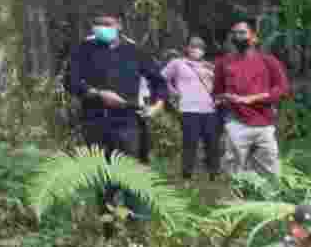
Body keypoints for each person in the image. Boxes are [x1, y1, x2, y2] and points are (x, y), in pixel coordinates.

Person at [64, 13, 167, 233]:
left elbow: (159, 82)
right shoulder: (84, 50)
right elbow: (70, 81)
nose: (102, 27)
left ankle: (137, 230)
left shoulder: (134, 51)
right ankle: (108, 232)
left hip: (128, 122)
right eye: (97, 23)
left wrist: (157, 106)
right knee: (102, 177)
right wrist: (98, 93)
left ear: (119, 25)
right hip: (95, 122)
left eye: (107, 24)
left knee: (132, 174)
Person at [214, 20, 290, 177]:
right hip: (235, 122)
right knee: (233, 172)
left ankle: (269, 193)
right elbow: (217, 91)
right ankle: (236, 192)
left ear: (254, 37)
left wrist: (253, 98)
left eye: (242, 33)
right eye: (235, 33)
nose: (238, 36)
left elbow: (282, 88)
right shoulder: (223, 62)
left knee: (270, 171)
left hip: (264, 123)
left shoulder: (268, 61)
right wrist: (224, 98)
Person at [163, 36, 222, 180]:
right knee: (190, 142)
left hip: (209, 108)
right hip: (188, 108)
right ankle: (187, 173)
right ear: (187, 48)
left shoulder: (209, 66)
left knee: (212, 142)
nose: (197, 49)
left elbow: (219, 84)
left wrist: (219, 97)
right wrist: (172, 91)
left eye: (200, 47)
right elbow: (161, 78)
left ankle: (214, 173)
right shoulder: (177, 63)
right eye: (194, 46)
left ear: (204, 50)